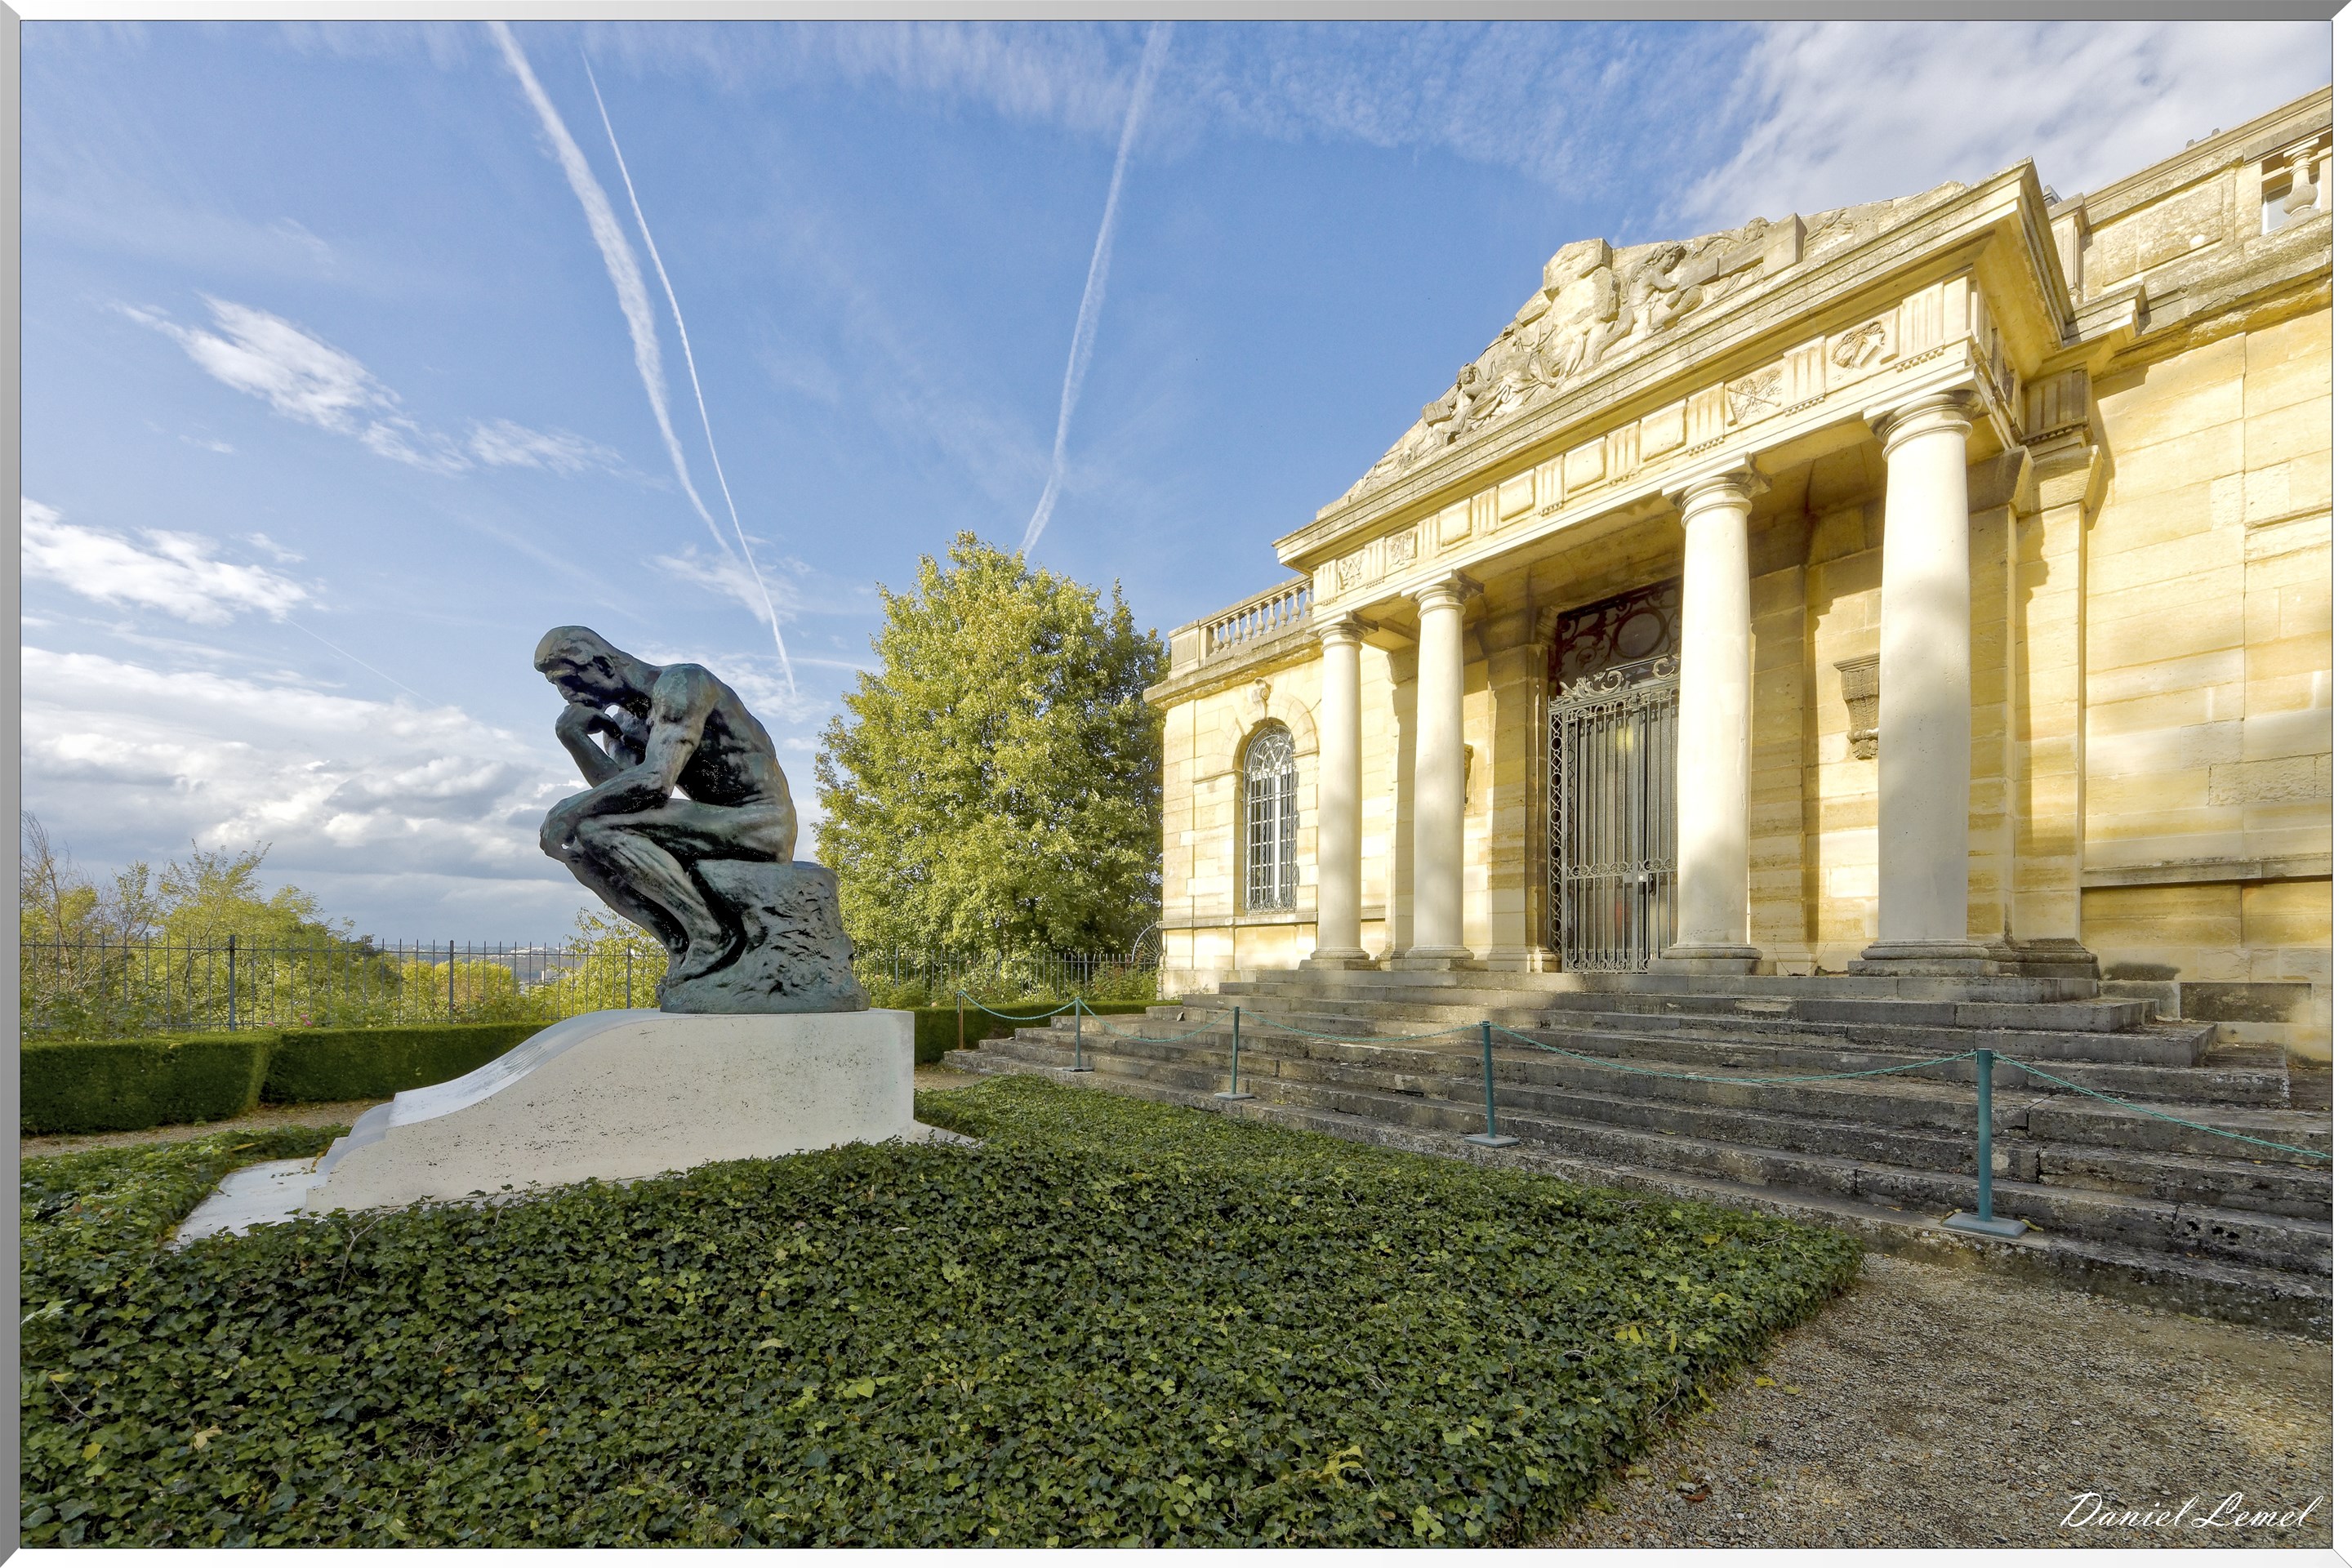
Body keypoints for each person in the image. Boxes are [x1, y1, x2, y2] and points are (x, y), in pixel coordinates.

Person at [532, 626, 797, 982]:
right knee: (581, 847)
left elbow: (656, 783)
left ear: (602, 665)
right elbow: (622, 798)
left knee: (593, 826)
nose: (566, 695)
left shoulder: (682, 684)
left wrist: (569, 809)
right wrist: (575, 738)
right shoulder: (626, 724)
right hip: (710, 822)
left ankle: (711, 933)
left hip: (761, 822)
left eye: (568, 680)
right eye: (557, 686)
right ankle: (680, 941)